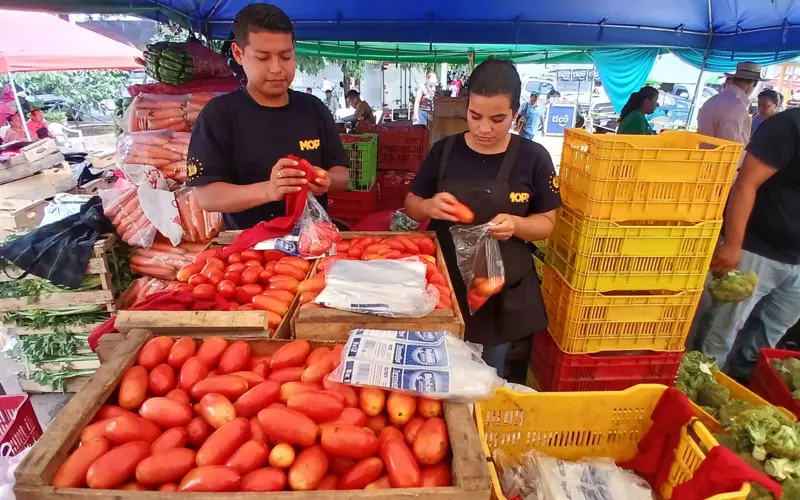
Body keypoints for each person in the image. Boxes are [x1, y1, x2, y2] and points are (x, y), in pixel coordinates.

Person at [404, 59, 561, 375]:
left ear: (516, 113)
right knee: (437, 369)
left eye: (498, 118)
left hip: (498, 296)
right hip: (444, 290)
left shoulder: (534, 158)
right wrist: (428, 207)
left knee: (487, 375)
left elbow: (547, 222)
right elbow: (411, 203)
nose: (484, 128)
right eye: (475, 116)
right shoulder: (445, 151)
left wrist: (517, 224)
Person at [185, 4, 349, 230]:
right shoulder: (219, 114)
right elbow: (207, 196)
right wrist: (269, 190)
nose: (276, 69)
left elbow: (342, 175)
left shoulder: (314, 108)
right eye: (263, 57)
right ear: (238, 54)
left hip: (312, 241)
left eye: (285, 56)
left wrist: (325, 181)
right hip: (251, 252)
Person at [697, 108, 800, 379]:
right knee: (720, 330)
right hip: (756, 249)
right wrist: (732, 244)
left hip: (797, 264)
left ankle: (742, 386)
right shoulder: (790, 125)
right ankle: (697, 389)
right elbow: (746, 184)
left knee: (768, 335)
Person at [697, 62, 762, 145]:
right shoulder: (737, 107)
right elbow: (729, 145)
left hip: (702, 155)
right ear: (754, 83)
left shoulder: (712, 100)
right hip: (719, 157)